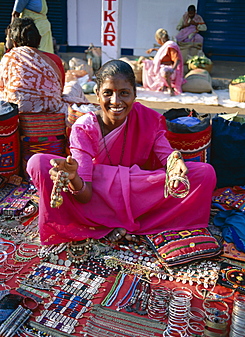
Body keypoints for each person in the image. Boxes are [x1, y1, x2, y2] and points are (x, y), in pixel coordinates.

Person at [26, 59, 216, 245]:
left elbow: (166, 154)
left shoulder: (146, 119)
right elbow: (85, 196)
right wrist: (73, 177)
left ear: (134, 94)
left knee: (205, 173)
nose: (116, 101)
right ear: (97, 94)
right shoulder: (85, 128)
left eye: (124, 93)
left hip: (138, 189)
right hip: (98, 193)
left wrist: (175, 163)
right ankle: (118, 223)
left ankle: (109, 224)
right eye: (108, 93)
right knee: (37, 163)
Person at [0, 18, 88, 123]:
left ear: (14, 43)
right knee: (74, 85)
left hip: (17, 111)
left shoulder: (9, 57)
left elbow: (2, 87)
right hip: (52, 109)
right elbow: (60, 90)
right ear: (39, 40)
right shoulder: (52, 59)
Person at [142, 29, 184, 96]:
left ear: (159, 39)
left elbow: (177, 59)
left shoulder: (170, 46)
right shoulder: (167, 46)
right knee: (146, 63)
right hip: (162, 67)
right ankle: (162, 86)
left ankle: (171, 90)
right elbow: (164, 53)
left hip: (169, 68)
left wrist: (172, 69)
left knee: (165, 71)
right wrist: (154, 49)